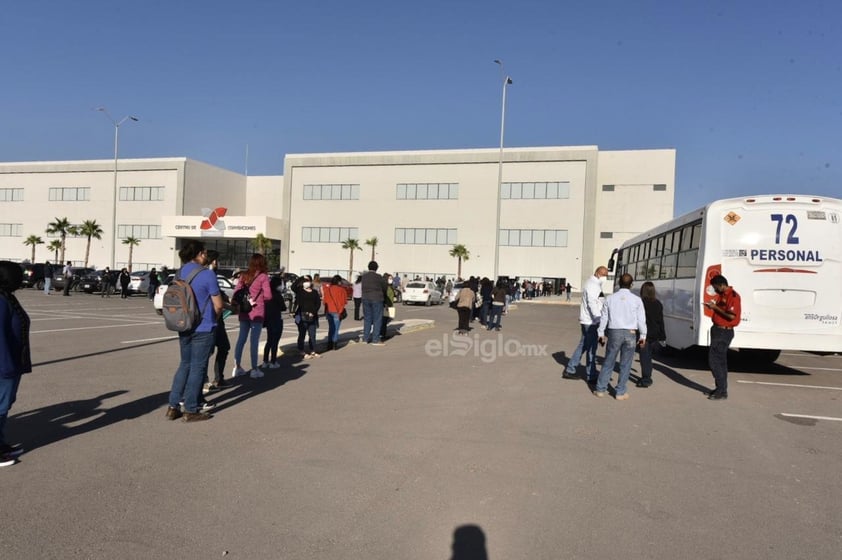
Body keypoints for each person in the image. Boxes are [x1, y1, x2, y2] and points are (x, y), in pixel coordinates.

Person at [165, 241, 223, 423]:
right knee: (198, 367)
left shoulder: (180, 272)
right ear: (199, 254)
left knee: (185, 365)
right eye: (204, 252)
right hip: (204, 326)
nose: (206, 255)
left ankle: (173, 406)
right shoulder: (207, 275)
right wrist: (216, 317)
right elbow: (218, 304)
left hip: (184, 324)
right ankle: (191, 409)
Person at [593, 273, 647, 400]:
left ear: (618, 283)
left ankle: (600, 389)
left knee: (609, 361)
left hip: (614, 332)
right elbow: (641, 320)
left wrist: (601, 333)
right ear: (632, 284)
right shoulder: (636, 300)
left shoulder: (610, 298)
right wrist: (643, 336)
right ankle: (620, 392)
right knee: (626, 363)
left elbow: (604, 318)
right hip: (631, 333)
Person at [0, 261, 31, 466]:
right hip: (4, 364)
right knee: (0, 406)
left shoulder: (7, 297)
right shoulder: (0, 302)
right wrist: (7, 366)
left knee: (4, 405)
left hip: (12, 362)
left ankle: (1, 443)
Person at [563, 266, 608, 382]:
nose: (606, 278)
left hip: (589, 321)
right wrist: (599, 319)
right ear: (598, 274)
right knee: (591, 348)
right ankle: (590, 374)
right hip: (591, 321)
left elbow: (601, 300)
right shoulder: (592, 285)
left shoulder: (596, 285)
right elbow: (592, 303)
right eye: (604, 275)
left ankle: (571, 369)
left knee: (584, 345)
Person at [232, 253, 272, 378]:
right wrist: (259, 297)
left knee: (241, 340)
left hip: (244, 311)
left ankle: (237, 367)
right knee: (254, 341)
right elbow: (268, 295)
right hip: (257, 312)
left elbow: (236, 292)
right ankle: (254, 369)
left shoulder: (244, 275)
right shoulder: (263, 276)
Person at [705, 275, 741, 400]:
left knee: (715, 361)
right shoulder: (723, 295)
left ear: (722, 285)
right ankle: (720, 388)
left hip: (723, 332)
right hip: (718, 330)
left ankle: (721, 390)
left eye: (716, 288)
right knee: (720, 361)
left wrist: (715, 308)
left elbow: (731, 316)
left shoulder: (733, 296)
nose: (715, 291)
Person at [205, 250, 232, 391]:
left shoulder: (213, 275)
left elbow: (218, 293)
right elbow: (211, 297)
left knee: (224, 347)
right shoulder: (205, 275)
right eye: (214, 260)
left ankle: (218, 378)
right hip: (208, 319)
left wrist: (227, 299)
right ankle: (204, 381)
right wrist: (228, 305)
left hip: (218, 319)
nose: (216, 263)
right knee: (206, 352)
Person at [637, 281, 666, 388]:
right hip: (655, 334)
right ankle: (647, 376)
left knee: (644, 357)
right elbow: (661, 321)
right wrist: (663, 336)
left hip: (643, 335)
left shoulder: (640, 303)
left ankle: (646, 379)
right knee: (649, 357)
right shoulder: (658, 303)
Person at [261, 272, 286, 367]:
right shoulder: (278, 295)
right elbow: (283, 307)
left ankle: (265, 361)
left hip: (268, 319)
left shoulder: (267, 294)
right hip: (276, 318)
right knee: (275, 341)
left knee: (269, 340)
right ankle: (273, 361)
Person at [360, 260, 388, 345]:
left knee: (367, 319)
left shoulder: (364, 277)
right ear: (376, 268)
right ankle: (375, 339)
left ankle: (365, 338)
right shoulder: (379, 277)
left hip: (365, 298)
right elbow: (384, 287)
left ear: (368, 267)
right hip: (377, 298)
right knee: (377, 319)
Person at [293, 275, 321, 358]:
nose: (306, 282)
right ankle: (301, 350)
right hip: (302, 316)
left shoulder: (315, 292)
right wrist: (301, 277)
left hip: (313, 316)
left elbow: (318, 304)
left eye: (308, 281)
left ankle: (313, 350)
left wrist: (313, 312)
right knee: (302, 334)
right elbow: (293, 286)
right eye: (305, 281)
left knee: (312, 334)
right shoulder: (300, 292)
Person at [323, 275, 348, 351]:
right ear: (338, 281)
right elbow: (344, 302)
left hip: (329, 311)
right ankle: (334, 344)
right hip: (337, 311)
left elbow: (325, 302)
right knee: (336, 329)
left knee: (331, 328)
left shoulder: (328, 289)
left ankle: (329, 344)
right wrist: (340, 311)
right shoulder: (342, 290)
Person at [380, 274, 395, 341]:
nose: (391, 280)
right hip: (386, 306)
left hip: (390, 305)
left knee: (387, 320)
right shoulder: (385, 287)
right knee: (384, 321)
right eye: (390, 278)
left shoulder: (391, 286)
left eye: (391, 278)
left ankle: (383, 333)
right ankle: (382, 335)